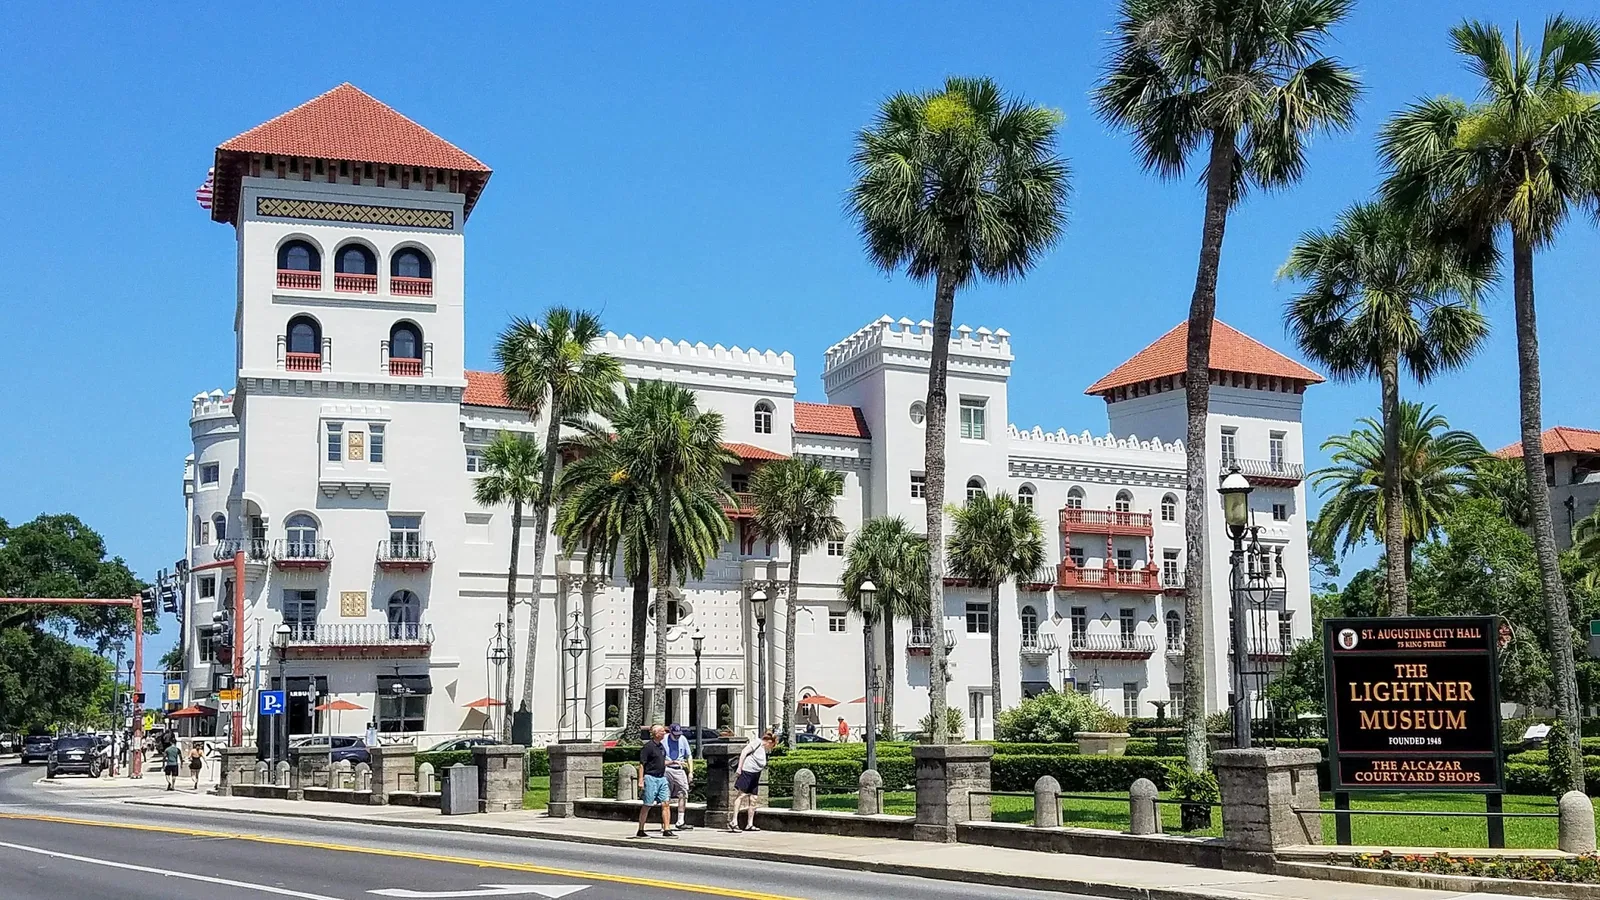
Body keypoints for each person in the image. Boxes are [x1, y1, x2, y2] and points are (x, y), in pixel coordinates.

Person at [728, 731, 775, 832]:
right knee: (741, 795)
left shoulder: (763, 749)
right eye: (772, 745)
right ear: (769, 741)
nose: (771, 748)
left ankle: (750, 824)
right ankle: (734, 821)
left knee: (754, 798)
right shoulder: (757, 742)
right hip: (747, 772)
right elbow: (744, 752)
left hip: (755, 775)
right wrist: (739, 768)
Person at [635, 724, 675, 838]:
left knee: (666, 803)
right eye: (662, 731)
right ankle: (641, 829)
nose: (664, 733)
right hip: (650, 777)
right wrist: (641, 780)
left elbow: (660, 762)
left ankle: (667, 829)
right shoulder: (648, 747)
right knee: (647, 804)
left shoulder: (661, 747)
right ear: (655, 733)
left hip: (661, 777)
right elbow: (642, 764)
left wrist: (673, 762)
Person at [663, 723, 694, 830]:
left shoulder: (683, 739)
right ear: (670, 732)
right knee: (665, 795)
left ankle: (680, 821)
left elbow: (689, 756)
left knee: (684, 792)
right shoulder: (664, 740)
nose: (677, 737)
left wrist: (690, 772)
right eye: (675, 735)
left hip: (679, 769)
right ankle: (665, 823)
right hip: (667, 769)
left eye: (678, 734)